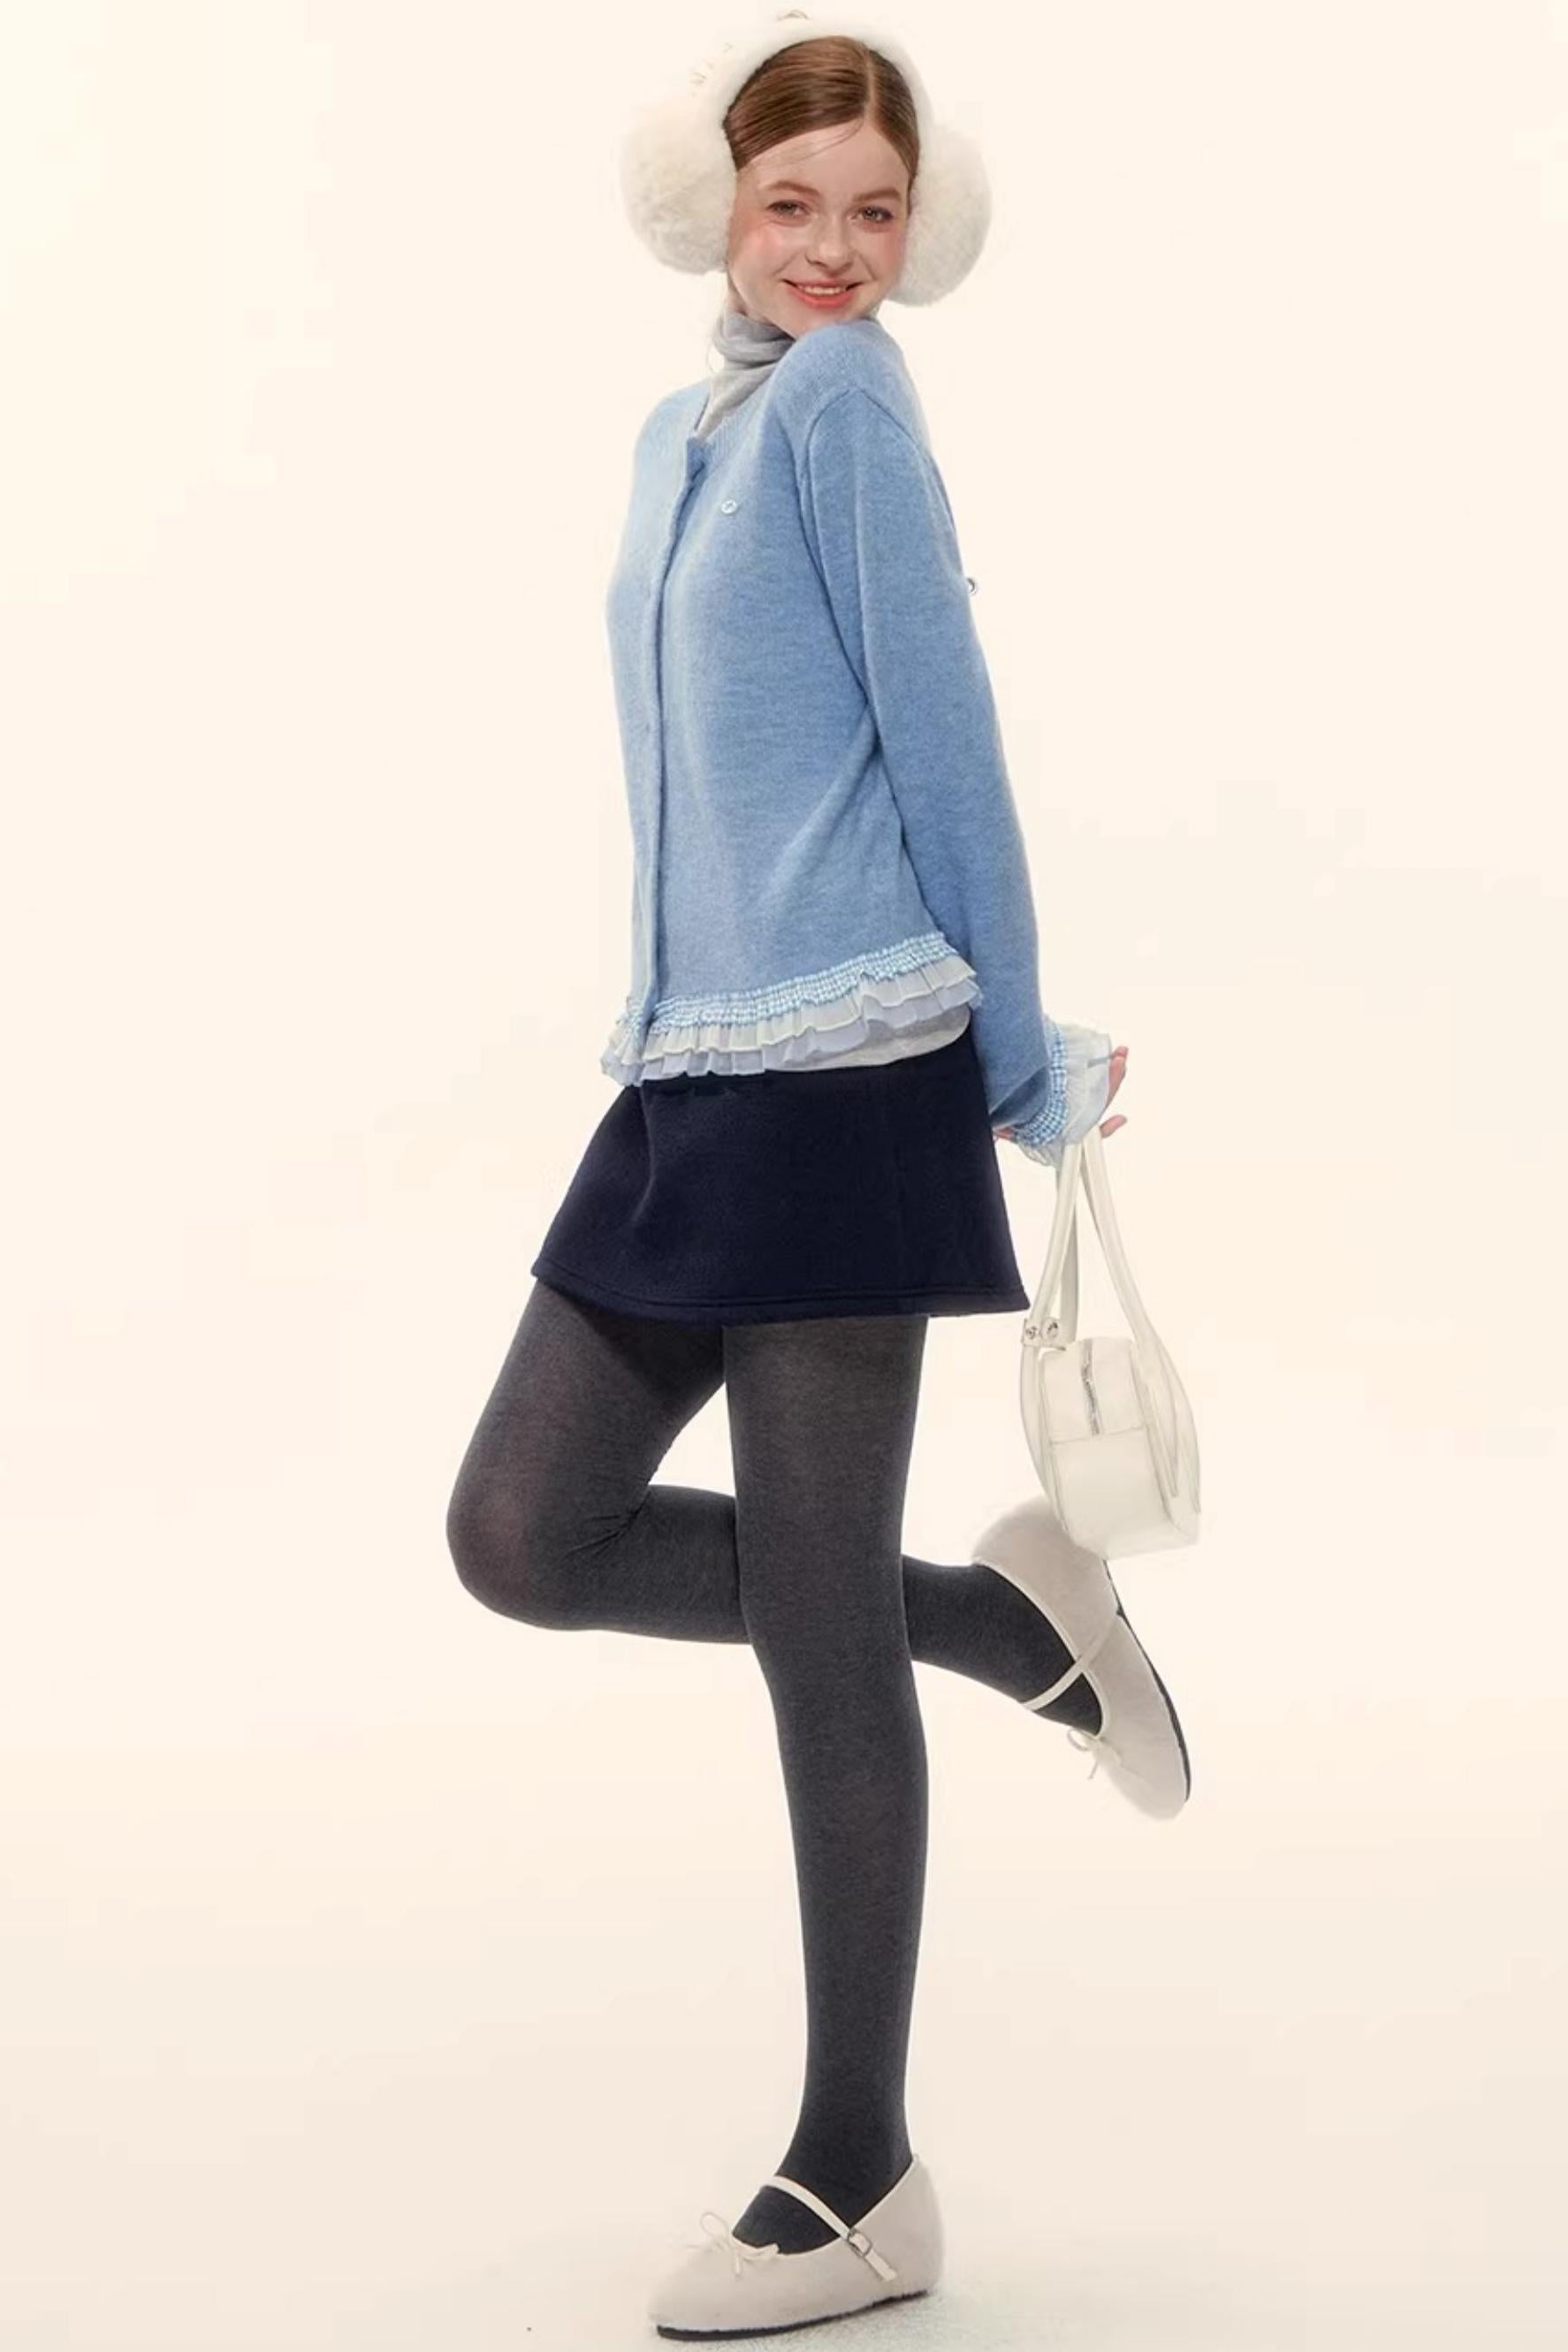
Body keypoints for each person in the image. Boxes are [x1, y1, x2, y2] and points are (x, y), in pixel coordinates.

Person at [445, 11, 1190, 2337]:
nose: (838, 249)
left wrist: (1018, 1052)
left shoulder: (854, 405)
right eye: (796, 206)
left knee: (813, 1644)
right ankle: (1008, 1623)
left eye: (877, 209)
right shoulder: (689, 432)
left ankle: (861, 2174)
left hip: (855, 1066)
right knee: (520, 1531)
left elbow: (949, 748)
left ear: (917, 224)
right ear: (721, 205)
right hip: (691, 1070)